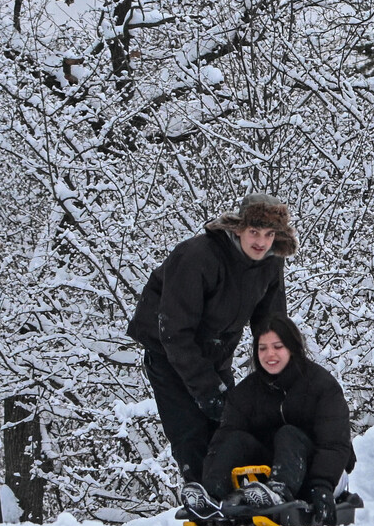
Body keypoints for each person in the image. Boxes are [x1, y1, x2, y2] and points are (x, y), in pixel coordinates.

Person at [127, 191, 296, 484]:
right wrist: (208, 392)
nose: (261, 242)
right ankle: (203, 498)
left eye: (270, 234)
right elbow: (175, 332)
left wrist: (284, 378)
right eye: (254, 231)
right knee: (191, 432)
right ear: (238, 228)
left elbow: (271, 326)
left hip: (217, 351)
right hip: (169, 352)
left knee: (230, 428)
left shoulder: (270, 261)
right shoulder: (198, 256)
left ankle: (239, 499)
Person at [192, 315, 355, 526]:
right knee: (234, 438)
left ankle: (279, 492)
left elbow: (335, 443)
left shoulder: (322, 386)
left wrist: (322, 485)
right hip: (271, 475)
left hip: (324, 474)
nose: (270, 354)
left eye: (278, 347)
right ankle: (212, 498)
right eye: (263, 348)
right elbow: (224, 439)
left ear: (292, 348)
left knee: (288, 434)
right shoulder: (247, 392)